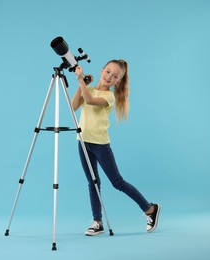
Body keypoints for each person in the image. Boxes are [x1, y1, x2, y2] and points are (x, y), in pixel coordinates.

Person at [71, 59, 161, 236]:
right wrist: (81, 84)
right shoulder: (88, 89)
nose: (109, 77)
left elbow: (89, 101)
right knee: (93, 183)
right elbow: (73, 106)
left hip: (100, 145)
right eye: (107, 72)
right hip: (83, 142)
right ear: (101, 70)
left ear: (118, 81)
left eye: (115, 76)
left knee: (117, 182)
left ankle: (150, 209)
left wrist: (80, 80)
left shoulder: (108, 97)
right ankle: (97, 222)